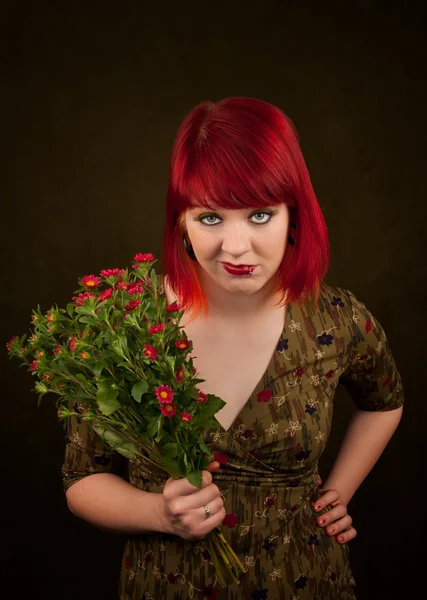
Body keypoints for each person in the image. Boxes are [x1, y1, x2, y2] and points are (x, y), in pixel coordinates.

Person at [62, 97, 404, 600]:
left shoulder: (337, 319)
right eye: (210, 218)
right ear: (181, 220)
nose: (236, 246)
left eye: (261, 215)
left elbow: (385, 402)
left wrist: (337, 494)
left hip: (304, 581)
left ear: (295, 214)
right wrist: (159, 513)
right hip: (167, 586)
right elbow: (80, 480)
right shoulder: (125, 327)